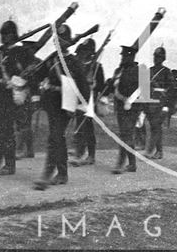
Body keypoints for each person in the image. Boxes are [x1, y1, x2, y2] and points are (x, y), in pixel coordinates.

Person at [30, 24, 90, 190]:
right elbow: (36, 75)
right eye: (57, 39)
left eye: (61, 39)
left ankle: (47, 175)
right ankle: (62, 174)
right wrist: (36, 94)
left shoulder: (74, 62)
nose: (57, 42)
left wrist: (81, 106)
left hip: (67, 104)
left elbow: (84, 87)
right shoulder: (52, 58)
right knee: (57, 137)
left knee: (55, 137)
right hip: (51, 103)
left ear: (68, 42)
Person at [0, 20, 35, 178]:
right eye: (1, 34)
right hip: (1, 96)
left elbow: (32, 69)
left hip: (15, 95)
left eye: (5, 34)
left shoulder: (22, 52)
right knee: (6, 129)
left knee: (3, 130)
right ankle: (9, 165)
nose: (2, 37)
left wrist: (19, 82)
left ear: (12, 35)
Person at [105, 45, 142, 174]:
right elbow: (112, 88)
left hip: (133, 107)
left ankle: (120, 163)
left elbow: (143, 90)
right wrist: (109, 84)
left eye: (125, 56)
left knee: (125, 134)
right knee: (125, 134)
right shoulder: (118, 71)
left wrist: (131, 102)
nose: (123, 58)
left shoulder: (138, 71)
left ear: (132, 57)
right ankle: (132, 164)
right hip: (120, 106)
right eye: (122, 55)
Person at [70, 39, 105, 167]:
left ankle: (90, 155)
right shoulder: (79, 66)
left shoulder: (97, 67)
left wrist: (94, 85)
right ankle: (80, 152)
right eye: (81, 51)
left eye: (85, 51)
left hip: (90, 101)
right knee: (79, 126)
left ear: (91, 52)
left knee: (87, 128)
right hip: (79, 99)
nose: (82, 53)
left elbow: (102, 85)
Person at [144, 46, 177, 160]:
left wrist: (167, 106)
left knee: (156, 125)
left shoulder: (166, 72)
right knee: (154, 127)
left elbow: (173, 89)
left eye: (158, 57)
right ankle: (159, 151)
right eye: (155, 56)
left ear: (163, 58)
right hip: (150, 103)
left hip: (161, 103)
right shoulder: (149, 71)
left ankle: (151, 149)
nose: (156, 59)